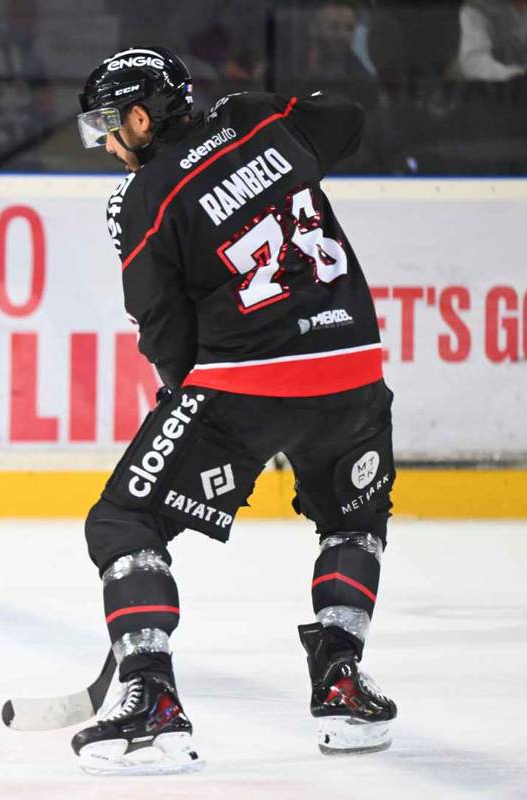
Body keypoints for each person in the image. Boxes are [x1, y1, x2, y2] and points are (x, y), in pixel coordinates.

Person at [68, 47, 397, 774]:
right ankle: (341, 680)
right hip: (354, 367)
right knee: (354, 518)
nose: (107, 145)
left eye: (108, 127)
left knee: (124, 520)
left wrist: (184, 392)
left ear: (143, 116)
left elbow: (162, 326)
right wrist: (267, 139)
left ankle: (151, 700)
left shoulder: (144, 196)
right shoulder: (258, 117)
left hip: (247, 384)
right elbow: (346, 120)